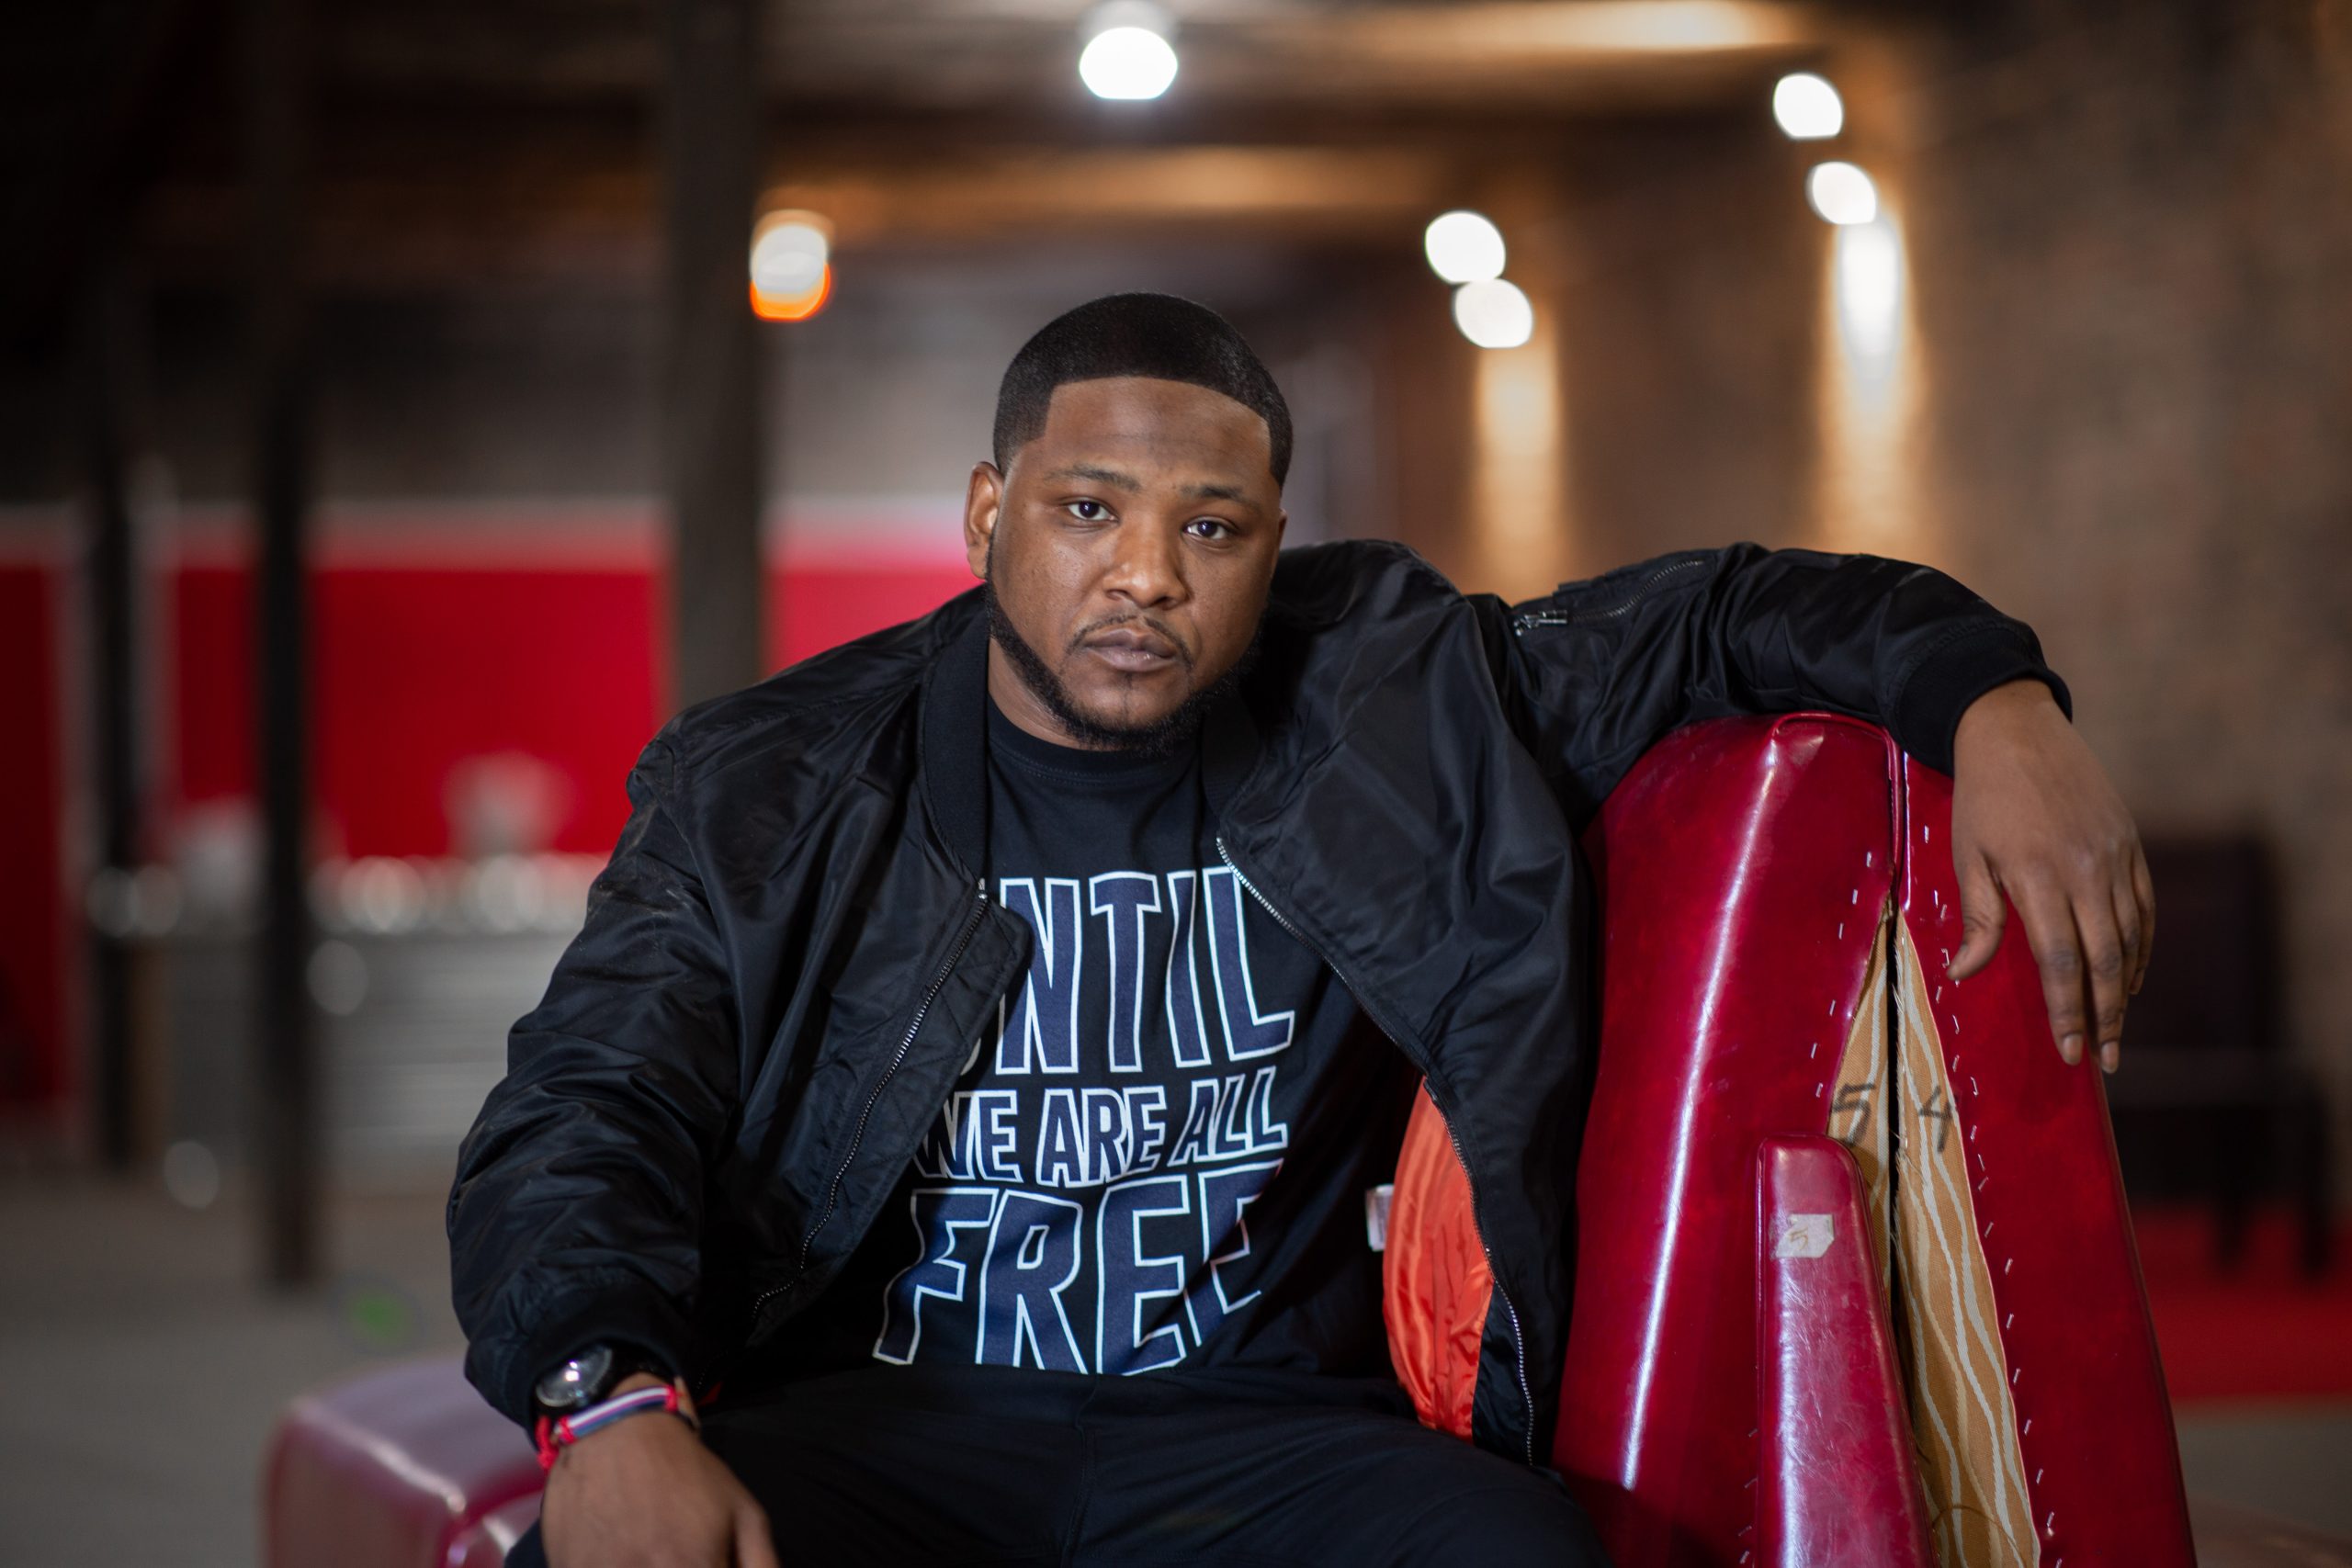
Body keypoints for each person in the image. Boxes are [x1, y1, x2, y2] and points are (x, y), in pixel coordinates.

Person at [449, 293, 2152, 1568]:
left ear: (1274, 547)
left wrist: (1994, 700)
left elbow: (1722, 612)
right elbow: (590, 1105)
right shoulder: (777, 780)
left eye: (1211, 528)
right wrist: (609, 1400)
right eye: (1086, 511)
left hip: (1269, 1434)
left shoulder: (1395, 697)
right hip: (886, 1424)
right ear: (987, 518)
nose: (1147, 577)